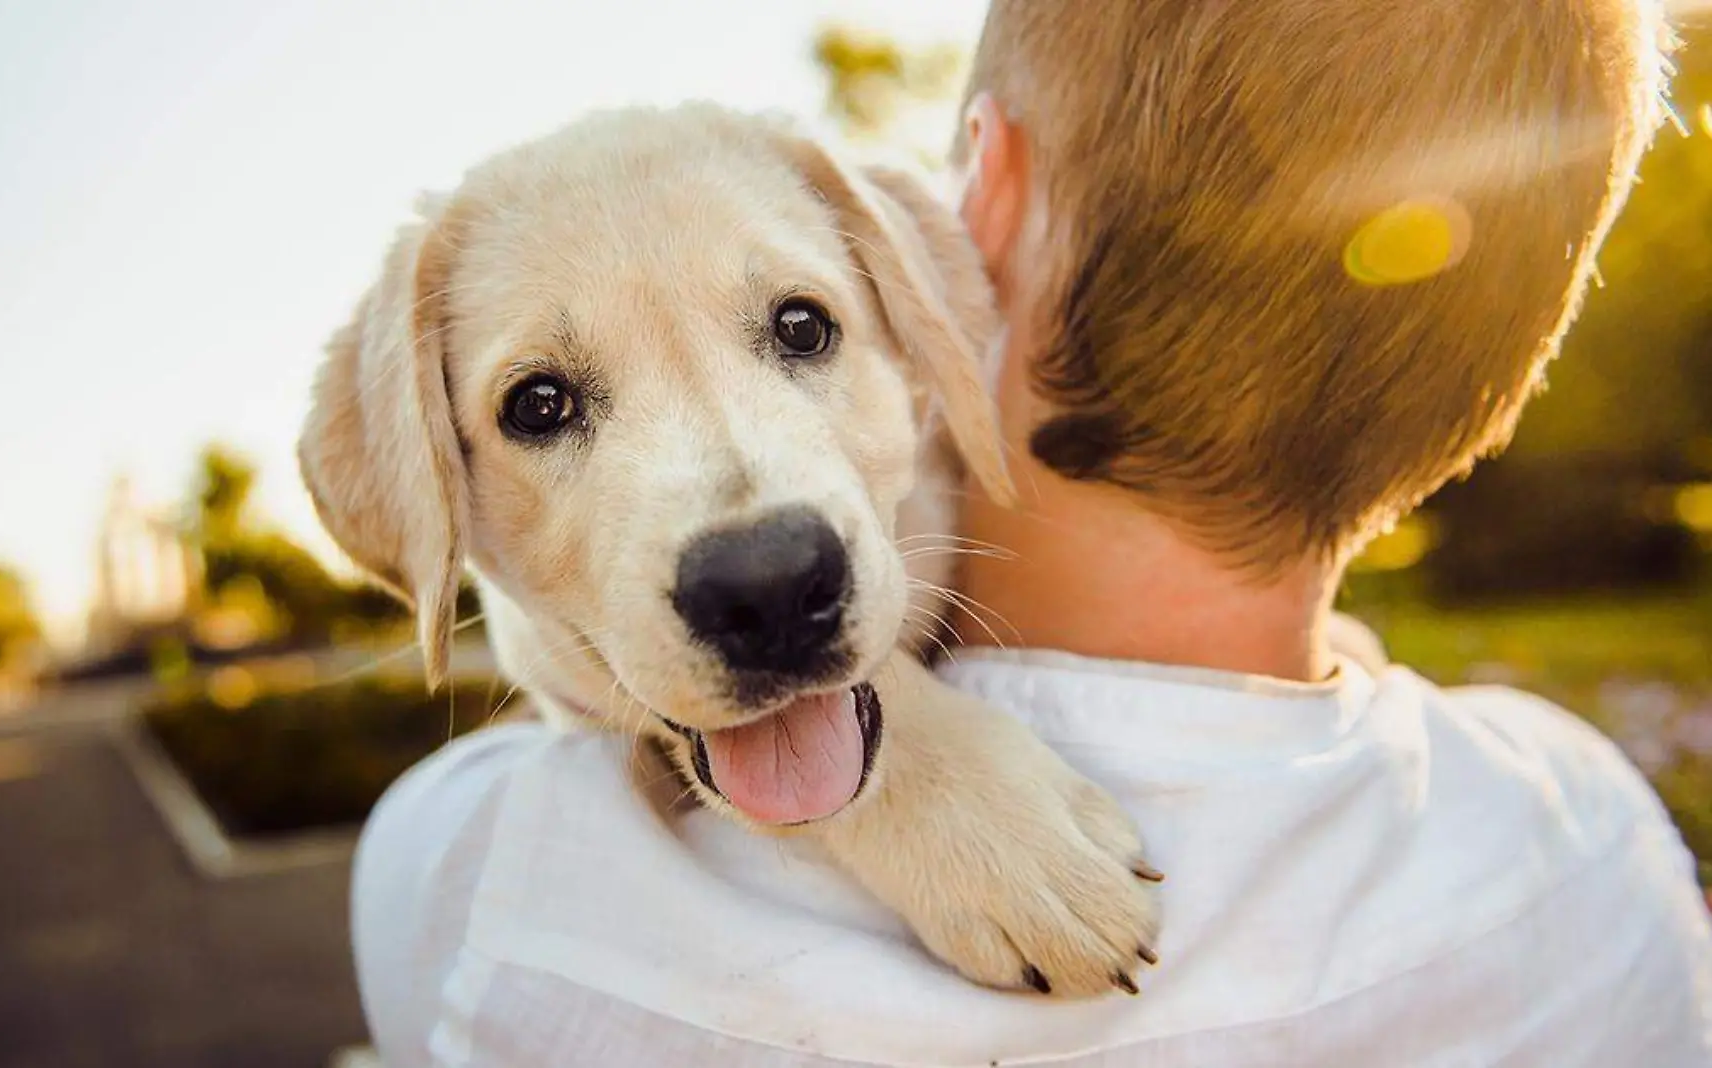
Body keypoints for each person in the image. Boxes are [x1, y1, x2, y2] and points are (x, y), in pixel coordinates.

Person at [349, 0, 1712, 1064]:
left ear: (971, 212)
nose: (752, 538)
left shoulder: (479, 890)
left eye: (801, 330)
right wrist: (900, 762)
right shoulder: (1596, 846)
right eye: (544, 404)